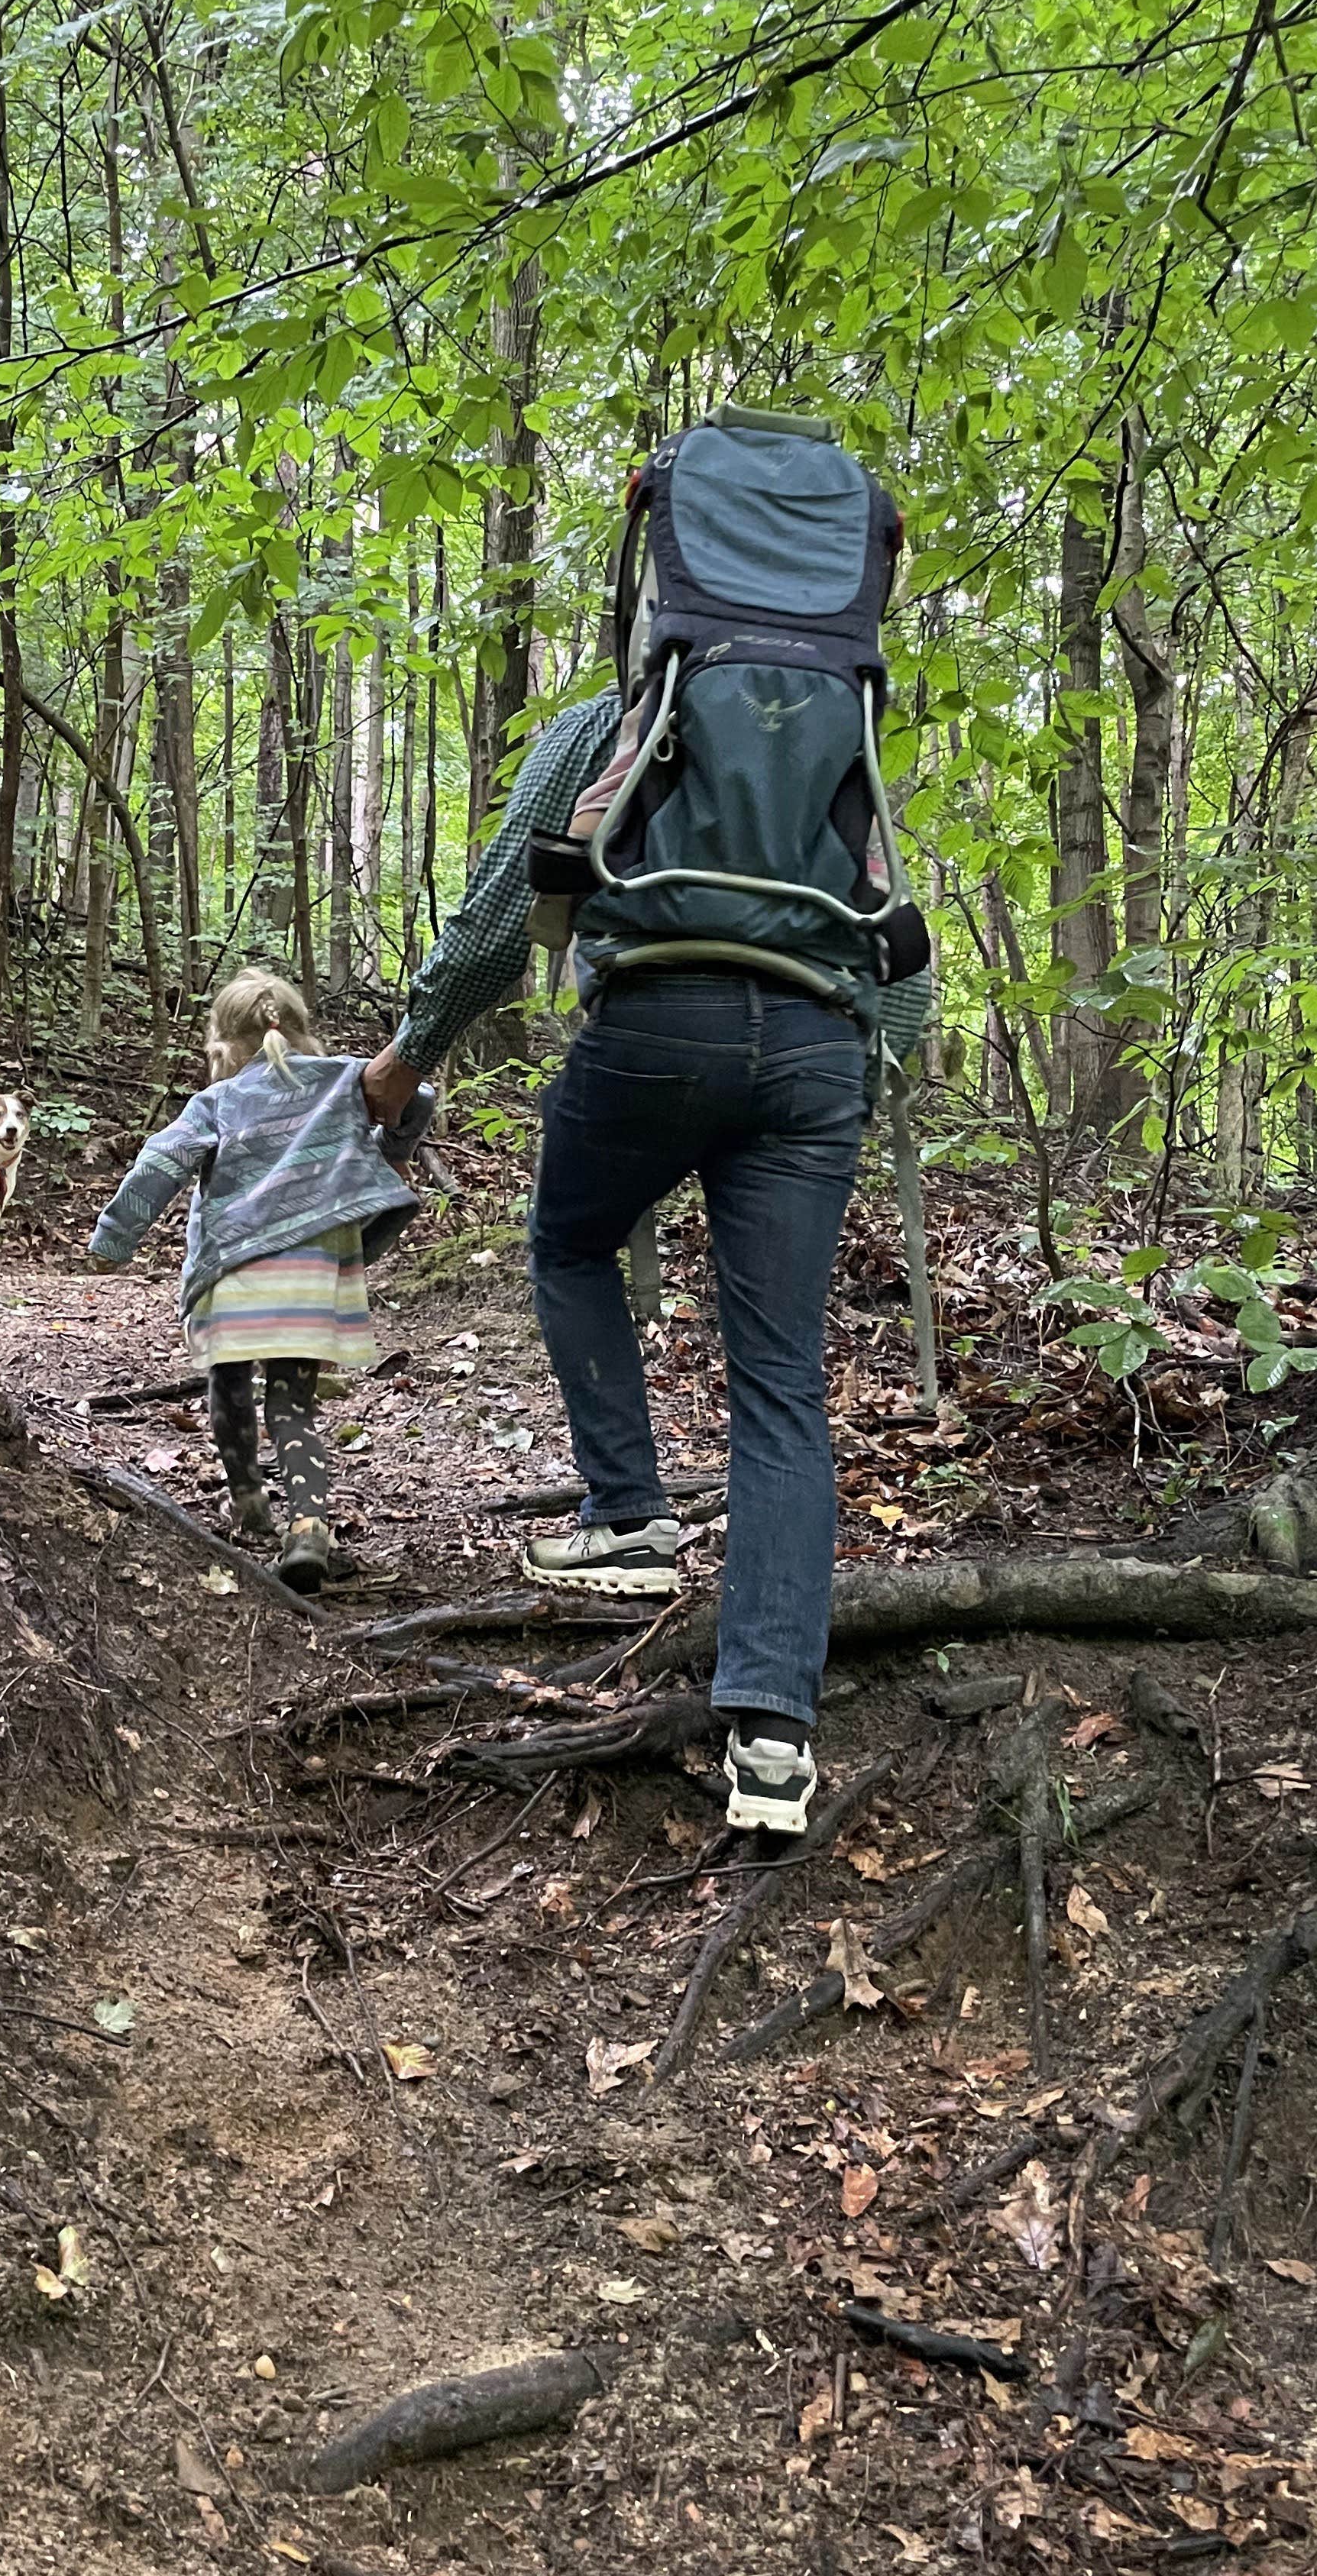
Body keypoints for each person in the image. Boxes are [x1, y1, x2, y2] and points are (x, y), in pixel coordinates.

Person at [361, 410, 929, 1837]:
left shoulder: (607, 726)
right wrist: (880, 1068)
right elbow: (893, 947)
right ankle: (770, 1741)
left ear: (659, 580)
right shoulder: (849, 743)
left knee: (568, 1239)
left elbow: (502, 913)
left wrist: (405, 1053)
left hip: (649, 1027)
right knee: (779, 1384)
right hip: (810, 1056)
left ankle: (623, 1508)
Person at [89, 968, 431, 1593]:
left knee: (228, 1382)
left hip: (234, 1267)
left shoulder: (216, 1102)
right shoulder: (346, 1080)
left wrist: (113, 1240)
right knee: (292, 1403)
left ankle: (247, 1501)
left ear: (221, 1045)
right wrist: (395, 1145)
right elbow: (422, 1095)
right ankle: (307, 1528)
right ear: (303, 1030)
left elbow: (158, 1164)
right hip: (312, 1270)